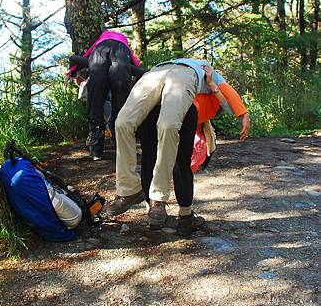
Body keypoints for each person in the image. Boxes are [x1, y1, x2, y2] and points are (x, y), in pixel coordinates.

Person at [105, 58, 248, 226]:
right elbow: (229, 99)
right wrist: (244, 114)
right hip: (167, 72)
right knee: (122, 123)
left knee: (167, 126)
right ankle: (129, 189)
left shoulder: (200, 104)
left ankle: (158, 199)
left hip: (160, 72)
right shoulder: (211, 75)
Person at [66, 31, 143, 160]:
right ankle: (121, 147)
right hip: (121, 57)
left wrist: (71, 72)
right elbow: (137, 65)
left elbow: (81, 57)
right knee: (120, 107)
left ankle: (96, 150)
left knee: (95, 105)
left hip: (98, 56)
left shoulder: (100, 41)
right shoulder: (124, 45)